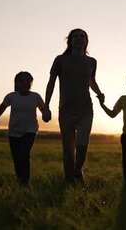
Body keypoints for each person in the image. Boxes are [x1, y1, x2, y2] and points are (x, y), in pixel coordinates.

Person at [43, 29, 105, 185]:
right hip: (66, 110)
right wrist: (46, 106)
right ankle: (69, 179)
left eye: (82, 36)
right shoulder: (60, 60)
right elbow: (51, 83)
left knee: (82, 145)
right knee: (68, 149)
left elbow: (91, 80)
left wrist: (99, 93)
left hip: (86, 109)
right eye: (75, 36)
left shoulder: (92, 62)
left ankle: (77, 171)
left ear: (86, 41)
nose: (79, 39)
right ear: (69, 40)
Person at [0, 71, 46, 186]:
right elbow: (2, 106)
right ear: (17, 83)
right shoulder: (12, 96)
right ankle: (20, 178)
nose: (24, 83)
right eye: (21, 80)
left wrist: (46, 115)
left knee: (24, 153)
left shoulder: (35, 96)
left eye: (27, 80)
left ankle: (25, 181)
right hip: (14, 132)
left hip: (30, 130)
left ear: (31, 83)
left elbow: (43, 109)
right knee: (17, 157)